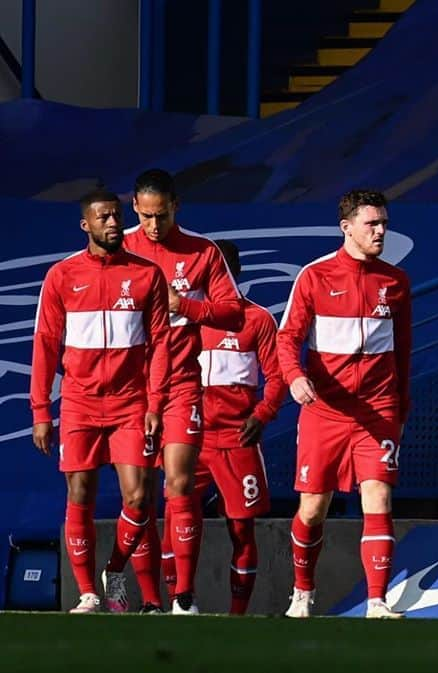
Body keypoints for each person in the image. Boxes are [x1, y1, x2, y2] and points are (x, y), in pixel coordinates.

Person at [30, 189, 170, 613]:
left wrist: (154, 403)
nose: (112, 223)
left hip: (130, 403)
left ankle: (114, 570)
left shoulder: (147, 275)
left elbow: (161, 343)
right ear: (85, 225)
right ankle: (89, 593)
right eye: (103, 217)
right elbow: (45, 344)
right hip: (79, 403)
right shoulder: (62, 275)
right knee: (80, 491)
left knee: (139, 496)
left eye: (116, 216)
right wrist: (41, 411)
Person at [278, 189, 412, 619]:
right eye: (372, 223)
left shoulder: (395, 282)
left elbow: (403, 350)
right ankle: (302, 592)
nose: (380, 231)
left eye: (384, 223)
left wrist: (401, 407)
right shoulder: (315, 276)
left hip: (378, 409)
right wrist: (295, 377)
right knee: (313, 508)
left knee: (378, 496)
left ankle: (377, 600)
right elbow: (287, 339)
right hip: (325, 411)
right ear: (346, 227)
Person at [124, 168, 244, 615]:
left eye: (162, 214)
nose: (155, 225)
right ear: (135, 206)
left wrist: (186, 306)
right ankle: (151, 600)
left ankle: (184, 596)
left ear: (176, 205)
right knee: (138, 494)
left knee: (179, 484)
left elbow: (234, 313)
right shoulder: (121, 248)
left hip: (180, 386)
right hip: (130, 390)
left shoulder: (202, 252)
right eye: (147, 215)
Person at [188, 239, 287, 614]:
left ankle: (237, 616)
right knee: (180, 516)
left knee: (242, 528)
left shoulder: (258, 319)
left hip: (235, 438)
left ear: (236, 273)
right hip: (190, 438)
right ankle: (182, 602)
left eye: (222, 271)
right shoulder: (186, 319)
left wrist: (262, 414)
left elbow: (277, 376)